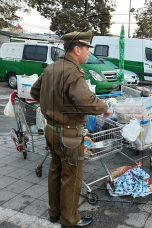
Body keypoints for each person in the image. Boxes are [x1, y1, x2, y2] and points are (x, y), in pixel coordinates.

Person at [31, 31, 110, 227]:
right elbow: (86, 101)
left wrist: (51, 106)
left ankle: (54, 212)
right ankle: (69, 219)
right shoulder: (73, 71)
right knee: (72, 177)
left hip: (51, 129)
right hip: (69, 133)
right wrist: (104, 108)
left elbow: (34, 91)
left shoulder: (52, 68)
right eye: (86, 49)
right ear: (77, 49)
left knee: (55, 170)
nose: (87, 53)